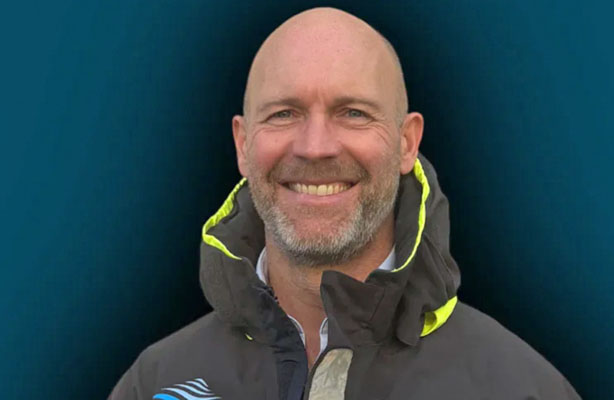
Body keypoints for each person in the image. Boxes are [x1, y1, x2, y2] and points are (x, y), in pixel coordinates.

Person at [109, 7, 580, 400]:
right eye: (284, 113)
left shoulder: (519, 388)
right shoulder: (158, 381)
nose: (315, 147)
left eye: (353, 112)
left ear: (407, 143)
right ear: (243, 144)